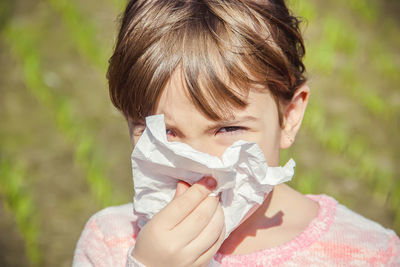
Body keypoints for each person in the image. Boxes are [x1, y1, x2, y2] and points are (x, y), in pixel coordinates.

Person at [73, 0, 400, 266]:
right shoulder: (111, 243)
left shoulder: (371, 254)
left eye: (228, 128)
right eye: (166, 133)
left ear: (289, 117)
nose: (199, 161)